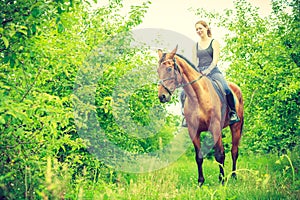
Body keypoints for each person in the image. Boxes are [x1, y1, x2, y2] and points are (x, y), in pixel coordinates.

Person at [181, 20, 240, 127]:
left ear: (206, 28)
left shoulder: (214, 42)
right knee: (183, 92)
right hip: (199, 73)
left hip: (213, 71)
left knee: (226, 89)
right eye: (197, 29)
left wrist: (207, 71)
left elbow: (215, 60)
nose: (199, 31)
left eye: (200, 28)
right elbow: (194, 62)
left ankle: (233, 113)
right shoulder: (195, 45)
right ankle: (185, 116)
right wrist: (196, 72)